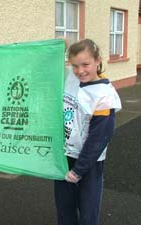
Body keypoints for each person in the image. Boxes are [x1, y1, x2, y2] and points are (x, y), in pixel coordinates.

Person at [54, 39, 122, 225]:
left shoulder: (104, 95)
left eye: (86, 64)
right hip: (64, 157)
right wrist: (60, 47)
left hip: (88, 164)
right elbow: (51, 66)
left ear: (98, 61)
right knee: (64, 210)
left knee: (87, 214)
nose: (80, 71)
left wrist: (78, 171)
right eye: (75, 65)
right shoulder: (71, 78)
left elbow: (99, 138)